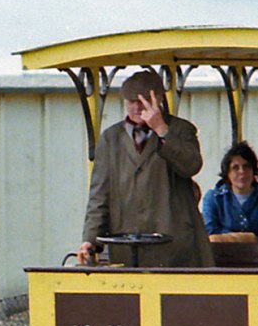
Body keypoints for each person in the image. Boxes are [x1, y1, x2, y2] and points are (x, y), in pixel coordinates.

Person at [79, 69, 213, 267]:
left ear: (157, 99)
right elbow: (99, 194)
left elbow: (192, 165)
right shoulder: (111, 138)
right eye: (130, 101)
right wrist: (89, 239)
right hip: (127, 250)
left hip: (174, 249)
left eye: (141, 101)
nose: (135, 107)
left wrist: (161, 130)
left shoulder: (181, 130)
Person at [201, 142, 258, 241]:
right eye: (235, 168)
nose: (242, 172)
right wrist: (249, 238)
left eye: (247, 166)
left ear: (253, 171)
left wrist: (228, 237)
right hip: (220, 255)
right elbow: (210, 233)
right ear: (227, 173)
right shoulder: (213, 198)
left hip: (257, 256)